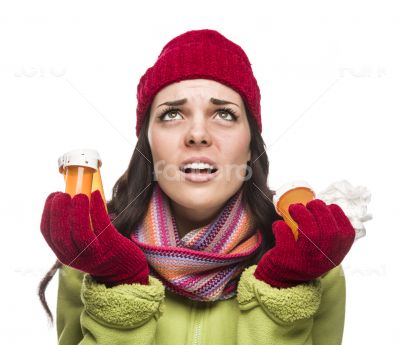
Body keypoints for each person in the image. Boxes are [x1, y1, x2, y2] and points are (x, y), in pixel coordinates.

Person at [38, 29, 356, 345]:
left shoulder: (308, 261)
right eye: (173, 114)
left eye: (224, 114)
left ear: (250, 146)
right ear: (148, 144)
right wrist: (119, 290)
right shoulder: (92, 258)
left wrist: (283, 293)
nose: (198, 134)